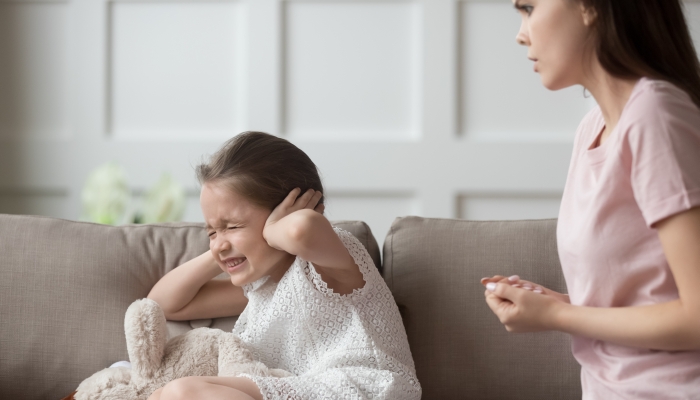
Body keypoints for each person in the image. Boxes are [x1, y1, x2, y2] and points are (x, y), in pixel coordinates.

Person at [481, 0, 700, 398]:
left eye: (528, 8)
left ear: (590, 7)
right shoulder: (593, 127)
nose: (520, 33)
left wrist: (559, 314)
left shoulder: (655, 114)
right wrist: (555, 304)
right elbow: (648, 295)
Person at [146, 132, 421, 400]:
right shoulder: (260, 290)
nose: (218, 242)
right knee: (161, 394)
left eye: (233, 225)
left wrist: (270, 231)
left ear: (289, 210)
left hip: (364, 390)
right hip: (302, 391)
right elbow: (162, 304)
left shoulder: (333, 264)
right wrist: (219, 249)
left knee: (182, 392)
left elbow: (302, 231)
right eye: (211, 232)